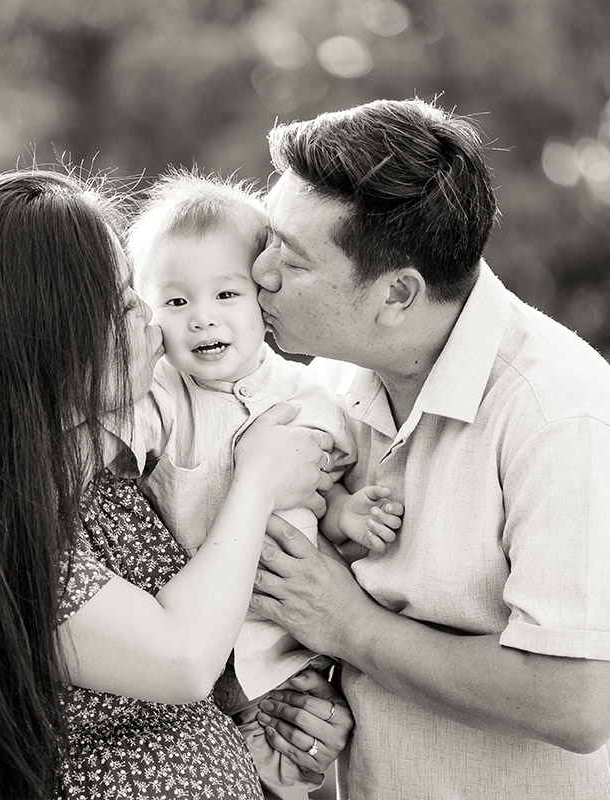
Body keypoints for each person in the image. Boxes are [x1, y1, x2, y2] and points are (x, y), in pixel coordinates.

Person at [0, 169, 354, 800]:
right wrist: (259, 479)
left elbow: (178, 684)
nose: (147, 318)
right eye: (119, 300)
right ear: (38, 336)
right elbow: (181, 658)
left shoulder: (92, 474)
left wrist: (270, 717)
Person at [248, 99, 610, 799]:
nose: (258, 273)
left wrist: (347, 626)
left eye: (290, 260)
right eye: (266, 239)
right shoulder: (326, 383)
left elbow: (576, 701)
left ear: (397, 294)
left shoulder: (560, 417)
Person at [123, 172, 404, 798]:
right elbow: (113, 438)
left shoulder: (309, 400)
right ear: (147, 319)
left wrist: (346, 516)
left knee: (302, 741)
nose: (201, 319)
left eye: (226, 294)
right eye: (175, 303)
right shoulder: (164, 397)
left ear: (262, 299)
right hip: (191, 631)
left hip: (279, 649)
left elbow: (318, 498)